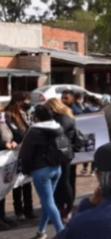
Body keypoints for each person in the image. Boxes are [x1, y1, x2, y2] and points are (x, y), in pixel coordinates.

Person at [20, 105, 65, 237]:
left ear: (37, 117)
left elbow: (26, 154)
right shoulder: (58, 127)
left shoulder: (34, 131)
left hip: (41, 170)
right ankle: (41, 231)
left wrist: (26, 170)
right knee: (48, 201)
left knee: (48, 202)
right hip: (56, 168)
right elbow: (64, 148)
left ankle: (62, 233)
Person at [45, 99, 77, 224]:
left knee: (64, 182)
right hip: (60, 152)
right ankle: (60, 208)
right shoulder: (63, 116)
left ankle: (68, 208)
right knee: (59, 182)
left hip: (63, 153)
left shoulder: (64, 118)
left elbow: (57, 132)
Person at [5, 92, 35, 221]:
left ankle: (29, 209)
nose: (27, 103)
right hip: (16, 151)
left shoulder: (25, 113)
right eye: (25, 101)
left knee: (27, 181)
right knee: (17, 183)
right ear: (18, 101)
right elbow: (14, 132)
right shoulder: (9, 114)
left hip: (26, 150)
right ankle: (19, 210)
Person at [0, 105, 18, 230]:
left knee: (2, 188)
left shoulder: (5, 119)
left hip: (5, 159)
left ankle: (2, 215)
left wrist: (14, 140)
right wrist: (3, 144)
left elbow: (15, 132)